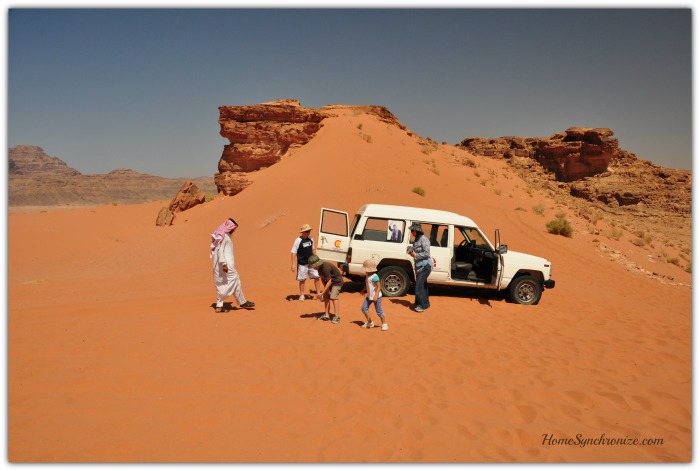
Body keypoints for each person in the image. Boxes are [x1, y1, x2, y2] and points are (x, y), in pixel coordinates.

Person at [210, 218, 255, 312]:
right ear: (230, 228)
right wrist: (224, 265)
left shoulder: (220, 236)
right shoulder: (224, 237)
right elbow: (220, 251)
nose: (234, 230)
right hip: (225, 265)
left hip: (218, 266)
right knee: (235, 280)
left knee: (222, 283)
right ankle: (242, 302)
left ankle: (220, 305)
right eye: (234, 228)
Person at [307, 254, 343, 324]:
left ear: (317, 264)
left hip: (337, 282)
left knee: (333, 297)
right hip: (330, 282)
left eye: (314, 266)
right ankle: (327, 315)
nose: (313, 268)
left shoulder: (325, 267)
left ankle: (337, 317)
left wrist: (322, 293)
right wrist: (325, 290)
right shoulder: (319, 269)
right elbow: (323, 279)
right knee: (326, 297)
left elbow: (329, 281)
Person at [290, 223, 321, 301]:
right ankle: (302, 295)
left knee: (317, 277)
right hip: (302, 263)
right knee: (302, 279)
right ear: (303, 232)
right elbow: (293, 252)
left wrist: (317, 260)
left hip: (311, 263)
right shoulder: (298, 240)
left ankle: (318, 294)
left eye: (309, 231)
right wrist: (293, 264)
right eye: (307, 231)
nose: (309, 233)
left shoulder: (311, 238)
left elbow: (313, 249)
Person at [407, 222, 431, 312]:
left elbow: (426, 253)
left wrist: (415, 254)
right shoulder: (417, 239)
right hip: (419, 267)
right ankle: (426, 304)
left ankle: (420, 306)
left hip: (425, 266)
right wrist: (411, 249)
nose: (412, 232)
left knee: (418, 286)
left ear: (416, 231)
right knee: (423, 286)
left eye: (412, 230)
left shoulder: (424, 239)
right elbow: (416, 250)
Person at [360, 259, 388, 331]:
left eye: (366, 269)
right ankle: (370, 322)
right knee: (364, 308)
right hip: (369, 296)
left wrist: (376, 295)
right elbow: (367, 285)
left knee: (379, 311)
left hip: (377, 297)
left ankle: (384, 324)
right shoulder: (367, 276)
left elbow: (379, 286)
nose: (365, 271)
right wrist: (363, 290)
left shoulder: (375, 276)